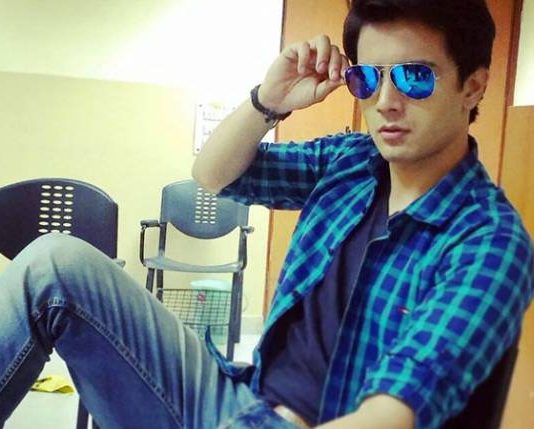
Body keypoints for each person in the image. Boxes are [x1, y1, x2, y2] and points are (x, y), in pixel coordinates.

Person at [0, 1, 532, 429]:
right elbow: (214, 175)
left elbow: (395, 410)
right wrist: (267, 102)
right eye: (368, 79)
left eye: (415, 77)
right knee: (53, 263)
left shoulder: (489, 241)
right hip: (239, 396)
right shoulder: (351, 161)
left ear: (473, 85)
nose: (386, 101)